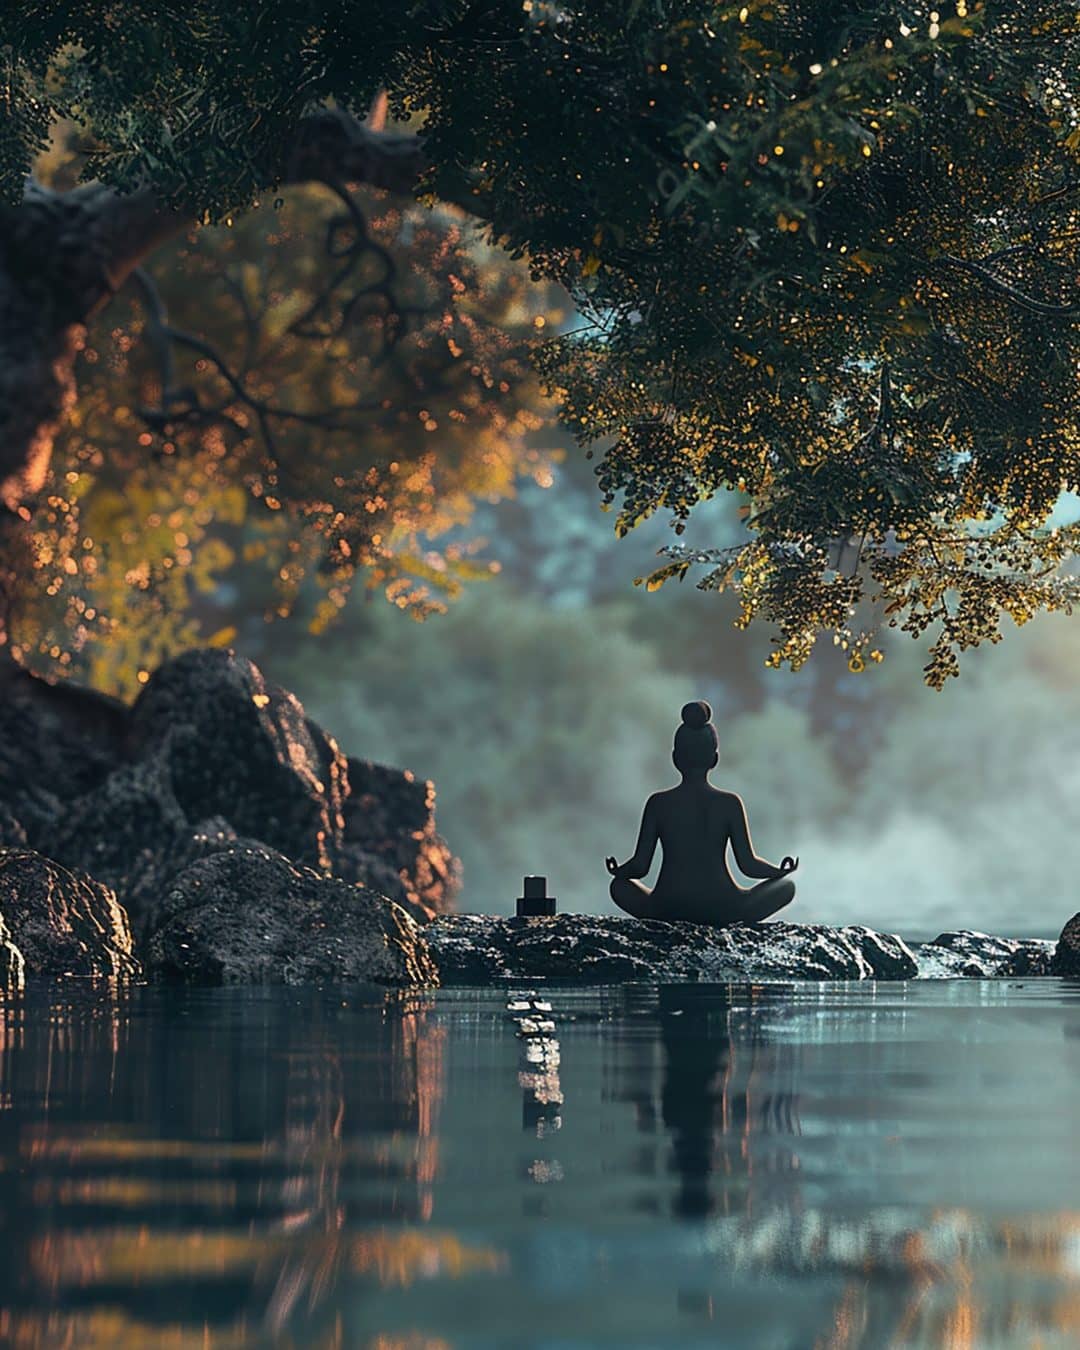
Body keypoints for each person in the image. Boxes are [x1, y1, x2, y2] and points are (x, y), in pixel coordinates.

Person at [606, 701, 798, 926]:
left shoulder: (658, 803)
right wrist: (779, 871)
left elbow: (640, 866)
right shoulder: (729, 803)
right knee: (787, 887)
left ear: (675, 758)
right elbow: (748, 865)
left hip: (666, 906)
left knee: (618, 886)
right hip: (725, 906)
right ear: (714, 759)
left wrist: (618, 870)